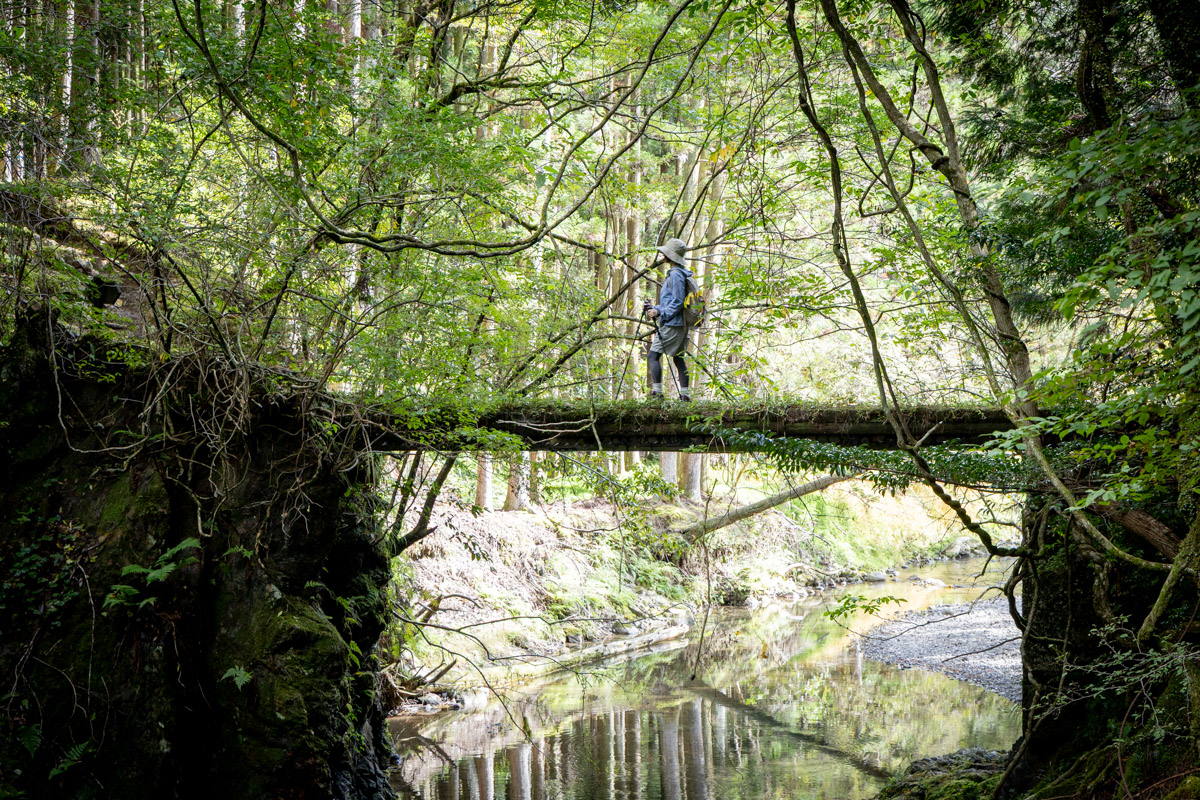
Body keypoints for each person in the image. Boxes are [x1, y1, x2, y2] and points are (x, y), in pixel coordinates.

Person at [644, 237, 694, 401]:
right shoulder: (678, 274)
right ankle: (685, 396)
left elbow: (678, 301)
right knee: (679, 358)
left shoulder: (676, 276)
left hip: (673, 324)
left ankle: (657, 393)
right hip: (679, 323)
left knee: (653, 356)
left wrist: (660, 313)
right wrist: (656, 308)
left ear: (669, 256)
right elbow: (672, 301)